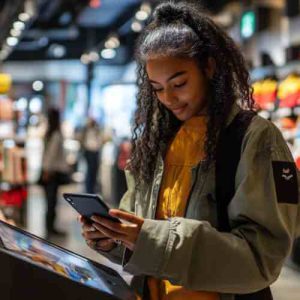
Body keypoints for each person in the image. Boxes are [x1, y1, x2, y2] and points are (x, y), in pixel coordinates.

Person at [80, 1, 299, 300]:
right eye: (157, 88)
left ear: (208, 67)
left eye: (179, 83)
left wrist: (152, 239)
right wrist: (112, 239)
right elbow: (138, 236)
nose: (168, 98)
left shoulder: (255, 139)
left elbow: (262, 260)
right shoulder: (155, 143)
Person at [42, 108, 70, 238]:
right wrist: (47, 170)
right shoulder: (56, 134)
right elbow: (51, 155)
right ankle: (50, 228)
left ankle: (50, 227)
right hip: (52, 173)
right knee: (51, 201)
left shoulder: (50, 133)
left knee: (50, 201)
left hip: (49, 171)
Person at [80, 117, 102, 194]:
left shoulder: (97, 130)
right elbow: (83, 141)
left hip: (95, 152)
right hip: (89, 152)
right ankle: (89, 189)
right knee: (89, 171)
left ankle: (92, 189)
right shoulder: (86, 130)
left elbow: (99, 141)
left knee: (94, 172)